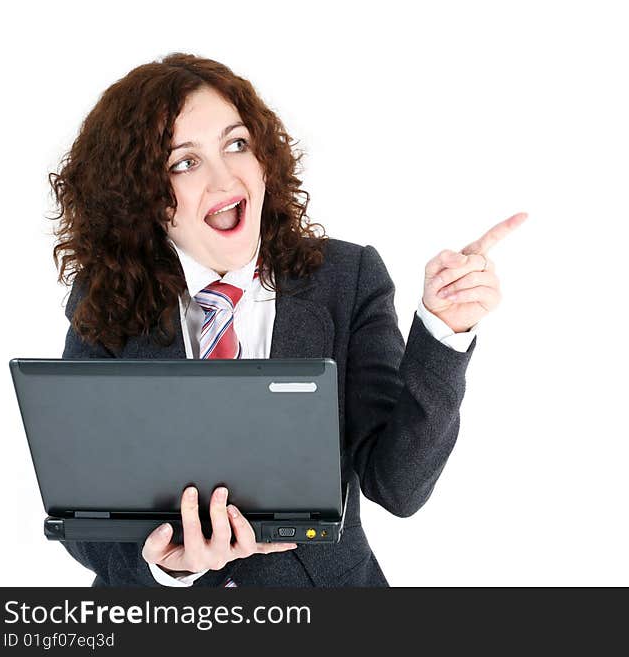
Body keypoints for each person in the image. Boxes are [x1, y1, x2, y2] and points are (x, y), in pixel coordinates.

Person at [51, 52, 526, 587]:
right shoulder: (106, 297)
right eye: (185, 161)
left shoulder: (345, 279)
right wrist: (167, 565)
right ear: (142, 197)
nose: (226, 177)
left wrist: (443, 332)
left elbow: (399, 486)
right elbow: (84, 519)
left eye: (237, 144)